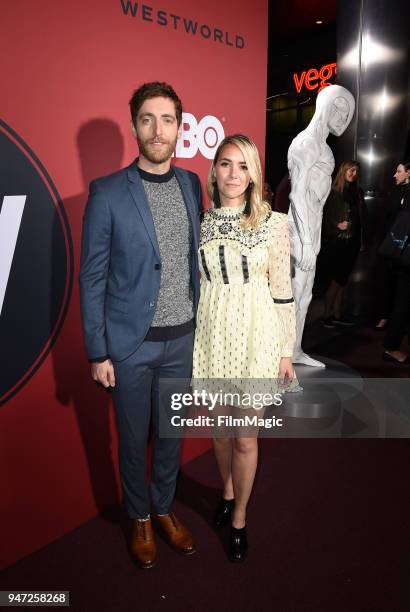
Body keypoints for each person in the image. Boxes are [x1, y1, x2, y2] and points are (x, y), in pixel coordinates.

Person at [79, 82, 202, 569]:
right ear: (134, 126)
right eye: (147, 119)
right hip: (130, 348)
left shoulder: (193, 184)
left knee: (171, 437)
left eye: (167, 119)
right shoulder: (107, 192)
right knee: (132, 441)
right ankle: (140, 518)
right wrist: (97, 351)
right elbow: (91, 277)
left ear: (179, 127)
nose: (157, 130)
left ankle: (165, 508)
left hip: (182, 340)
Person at [192, 134, 297, 562]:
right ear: (214, 171)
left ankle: (239, 518)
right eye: (225, 164)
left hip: (258, 334)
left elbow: (283, 290)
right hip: (213, 331)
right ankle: (228, 488)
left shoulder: (275, 223)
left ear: (254, 173)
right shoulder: (200, 221)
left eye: (243, 166)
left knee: (245, 438)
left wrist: (286, 350)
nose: (234, 174)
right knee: (219, 430)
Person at [287, 84, 355, 367]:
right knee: (292, 294)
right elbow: (297, 194)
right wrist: (303, 241)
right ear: (328, 106)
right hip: (298, 230)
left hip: (312, 230)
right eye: (340, 111)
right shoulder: (305, 143)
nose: (343, 120)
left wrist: (313, 239)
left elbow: (318, 200)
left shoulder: (324, 148)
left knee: (305, 294)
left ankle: (296, 349)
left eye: (347, 114)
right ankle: (283, 356)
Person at [320, 160, 363, 328]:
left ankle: (337, 314)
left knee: (343, 280)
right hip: (338, 241)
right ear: (343, 171)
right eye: (351, 170)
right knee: (337, 279)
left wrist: (361, 239)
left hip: (352, 241)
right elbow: (325, 218)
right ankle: (326, 315)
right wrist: (337, 225)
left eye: (356, 171)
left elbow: (360, 218)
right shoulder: (335, 192)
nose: (354, 174)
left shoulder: (357, 192)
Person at [375, 162, 410, 330]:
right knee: (387, 282)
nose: (395, 175)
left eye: (399, 171)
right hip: (390, 246)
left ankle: (397, 321)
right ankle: (385, 316)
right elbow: (386, 219)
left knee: (401, 286)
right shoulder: (395, 192)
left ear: (408, 173)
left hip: (404, 249)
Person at [382, 161, 410, 363]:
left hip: (401, 257)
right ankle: (391, 347)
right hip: (404, 258)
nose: (394, 175)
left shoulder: (402, 194)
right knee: (402, 303)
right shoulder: (402, 194)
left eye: (398, 171)